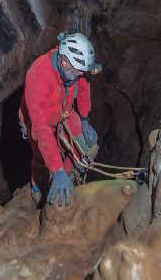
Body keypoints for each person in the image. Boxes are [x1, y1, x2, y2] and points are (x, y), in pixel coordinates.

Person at [19, 32, 102, 206]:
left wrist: (84, 118)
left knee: (82, 144)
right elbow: (41, 128)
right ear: (64, 62)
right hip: (40, 120)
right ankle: (38, 186)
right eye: (77, 73)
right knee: (41, 157)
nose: (79, 76)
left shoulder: (75, 69)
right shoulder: (38, 75)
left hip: (64, 112)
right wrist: (56, 170)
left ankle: (68, 176)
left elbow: (84, 88)